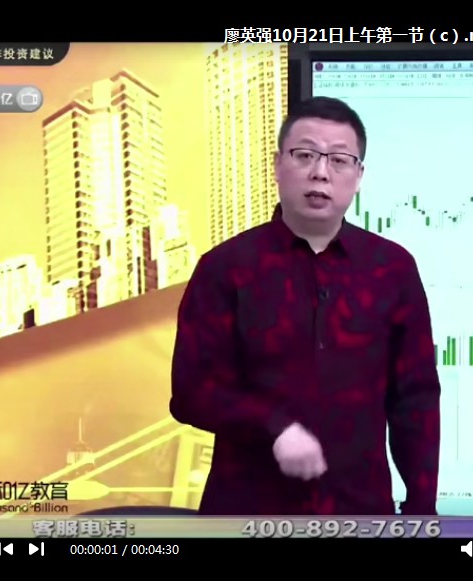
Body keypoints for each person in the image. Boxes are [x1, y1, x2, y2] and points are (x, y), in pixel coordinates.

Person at [169, 97, 441, 516]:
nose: (320, 172)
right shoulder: (225, 268)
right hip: (246, 514)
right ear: (278, 165)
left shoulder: (392, 269)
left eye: (339, 160)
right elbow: (192, 392)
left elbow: (415, 400)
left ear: (358, 176)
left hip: (360, 514)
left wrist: (422, 511)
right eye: (305, 155)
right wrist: (273, 427)